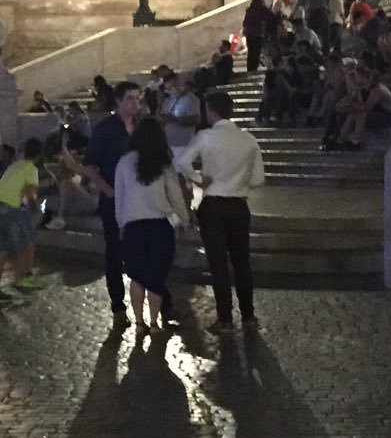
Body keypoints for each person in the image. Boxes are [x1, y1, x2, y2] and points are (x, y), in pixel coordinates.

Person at [179, 90, 264, 333]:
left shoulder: (205, 137)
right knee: (241, 262)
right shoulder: (248, 139)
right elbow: (258, 179)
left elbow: (182, 162)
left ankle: (225, 319)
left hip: (213, 205)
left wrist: (198, 178)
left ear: (210, 111)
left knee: (218, 264)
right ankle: (248, 315)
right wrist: (239, 184)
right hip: (238, 205)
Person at [114, 116, 190, 332]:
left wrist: (121, 223)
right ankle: (154, 322)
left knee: (136, 277)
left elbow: (120, 197)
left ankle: (139, 322)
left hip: (133, 227)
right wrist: (183, 219)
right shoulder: (163, 163)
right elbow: (175, 196)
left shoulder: (124, 162)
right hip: (160, 227)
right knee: (156, 278)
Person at [81, 79, 142, 326]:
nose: (135, 103)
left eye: (137, 98)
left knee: (143, 251)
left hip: (140, 200)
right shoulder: (105, 129)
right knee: (115, 253)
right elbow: (89, 165)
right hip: (114, 200)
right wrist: (108, 191)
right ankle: (118, 307)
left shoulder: (142, 128)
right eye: (130, 98)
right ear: (118, 101)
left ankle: (157, 305)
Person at [0, 139, 50, 306]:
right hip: (9, 208)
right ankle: (24, 278)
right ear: (40, 154)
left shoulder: (15, 165)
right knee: (27, 244)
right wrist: (37, 208)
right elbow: (30, 193)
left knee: (1, 251)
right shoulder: (31, 168)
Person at [241, 0, 272, 73]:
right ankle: (254, 68)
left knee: (251, 52)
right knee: (257, 52)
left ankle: (250, 68)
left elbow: (245, 22)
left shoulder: (250, 9)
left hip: (250, 34)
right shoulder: (263, 9)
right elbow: (270, 17)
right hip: (259, 34)